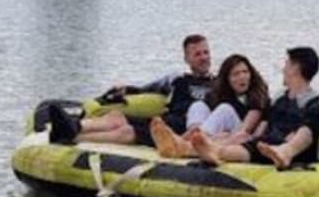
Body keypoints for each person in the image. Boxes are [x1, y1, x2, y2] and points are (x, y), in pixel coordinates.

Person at [48, 34, 214, 145]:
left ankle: (73, 138)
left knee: (127, 131)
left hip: (181, 131)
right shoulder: (176, 78)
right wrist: (125, 90)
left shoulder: (219, 83)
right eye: (197, 54)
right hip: (163, 122)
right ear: (187, 58)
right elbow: (145, 89)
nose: (203, 58)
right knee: (116, 115)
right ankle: (73, 125)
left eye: (206, 52)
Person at [189, 47, 319, 168]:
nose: (283, 69)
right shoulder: (279, 99)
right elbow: (266, 123)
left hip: (293, 149)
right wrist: (247, 137)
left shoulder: (317, 104)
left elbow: (313, 127)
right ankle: (187, 148)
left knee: (258, 146)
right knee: (248, 143)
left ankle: (285, 152)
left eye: (287, 64)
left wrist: (291, 137)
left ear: (295, 69)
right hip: (268, 145)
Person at [150, 54, 270, 158]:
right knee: (198, 105)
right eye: (236, 74)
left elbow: (245, 130)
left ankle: (183, 144)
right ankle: (181, 141)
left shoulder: (258, 95)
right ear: (227, 79)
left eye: (245, 72)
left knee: (225, 109)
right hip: (218, 134)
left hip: (244, 137)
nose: (242, 77)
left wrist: (224, 138)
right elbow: (206, 117)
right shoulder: (222, 94)